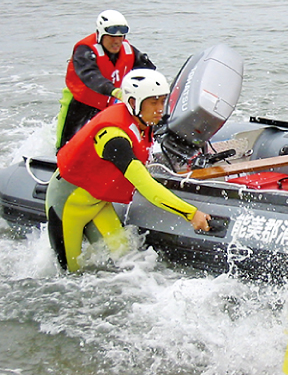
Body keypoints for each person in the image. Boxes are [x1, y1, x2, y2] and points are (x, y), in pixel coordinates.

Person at [46, 68, 211, 272]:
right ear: (133, 103)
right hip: (68, 203)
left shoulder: (143, 119)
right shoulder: (113, 138)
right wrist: (190, 213)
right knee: (72, 273)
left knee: (126, 266)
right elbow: (145, 185)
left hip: (97, 202)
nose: (160, 108)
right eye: (154, 102)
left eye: (163, 101)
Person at [56, 8, 156, 149]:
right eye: (111, 37)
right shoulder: (84, 51)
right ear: (100, 35)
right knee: (67, 144)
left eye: (121, 36)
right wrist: (114, 91)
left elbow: (149, 70)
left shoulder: (128, 50)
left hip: (107, 104)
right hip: (79, 103)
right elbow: (91, 77)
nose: (116, 41)